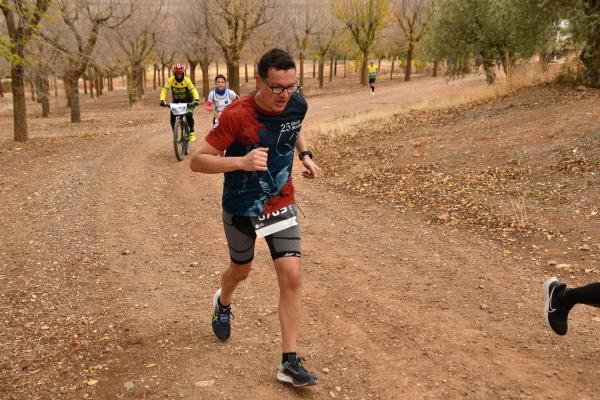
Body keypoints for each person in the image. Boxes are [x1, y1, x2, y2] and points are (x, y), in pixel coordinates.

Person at [190, 48, 320, 387]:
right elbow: (198, 161)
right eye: (277, 87)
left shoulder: (296, 102)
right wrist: (240, 162)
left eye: (291, 86)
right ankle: (223, 299)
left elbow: (294, 127)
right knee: (240, 271)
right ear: (258, 80)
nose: (285, 94)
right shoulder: (235, 115)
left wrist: (304, 155)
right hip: (241, 207)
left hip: (280, 202)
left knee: (291, 275)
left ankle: (288, 362)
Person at [159, 63, 201, 142]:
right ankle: (176, 135)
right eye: (177, 74)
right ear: (174, 73)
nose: (179, 75)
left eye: (180, 73)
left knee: (189, 115)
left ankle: (192, 132)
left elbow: (193, 90)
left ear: (183, 73)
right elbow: (164, 90)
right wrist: (162, 100)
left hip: (189, 100)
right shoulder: (171, 80)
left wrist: (197, 99)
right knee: (172, 116)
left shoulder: (187, 80)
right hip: (176, 101)